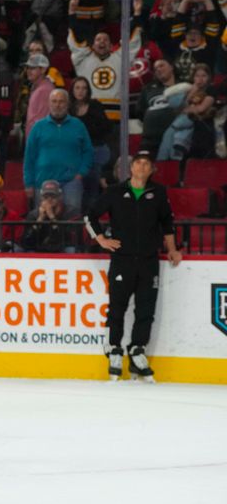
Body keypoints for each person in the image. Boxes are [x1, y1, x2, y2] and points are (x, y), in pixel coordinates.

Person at [84, 150, 182, 382]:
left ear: (151, 170)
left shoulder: (158, 193)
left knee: (146, 310)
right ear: (131, 167)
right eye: (138, 163)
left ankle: (138, 350)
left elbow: (167, 222)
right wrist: (101, 240)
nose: (141, 167)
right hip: (122, 260)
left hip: (148, 261)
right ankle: (114, 351)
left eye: (146, 164)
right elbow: (90, 215)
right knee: (117, 308)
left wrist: (172, 249)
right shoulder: (115, 192)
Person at [68, 0, 143, 122]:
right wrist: (72, 12)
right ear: (92, 44)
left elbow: (132, 41)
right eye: (98, 40)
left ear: (111, 45)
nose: (102, 42)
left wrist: (137, 12)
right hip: (88, 117)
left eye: (105, 40)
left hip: (115, 117)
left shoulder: (120, 59)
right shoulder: (83, 59)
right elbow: (76, 38)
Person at [23, 89, 93, 213]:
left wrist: (81, 173)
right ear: (49, 104)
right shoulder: (38, 127)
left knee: (72, 219)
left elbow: (88, 151)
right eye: (54, 101)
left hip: (71, 182)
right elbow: (29, 157)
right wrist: (29, 183)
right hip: (43, 182)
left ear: (67, 104)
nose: (57, 105)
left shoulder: (78, 126)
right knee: (43, 219)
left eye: (61, 101)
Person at [69, 76, 112, 205]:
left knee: (92, 174)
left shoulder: (95, 106)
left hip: (96, 148)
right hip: (76, 153)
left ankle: (91, 212)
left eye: (84, 88)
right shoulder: (68, 109)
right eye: (77, 88)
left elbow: (105, 128)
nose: (80, 91)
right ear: (72, 90)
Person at [20, 180, 82, 253]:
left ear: (60, 197)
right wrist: (40, 219)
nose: (49, 199)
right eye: (46, 197)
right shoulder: (33, 215)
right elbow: (26, 242)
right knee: (29, 251)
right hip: (40, 248)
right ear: (41, 198)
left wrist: (52, 217)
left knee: (71, 250)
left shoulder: (71, 212)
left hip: (62, 249)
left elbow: (70, 241)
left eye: (53, 196)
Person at [24, 53, 56, 139]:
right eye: (28, 68)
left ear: (43, 70)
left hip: (39, 141)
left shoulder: (44, 90)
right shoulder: (38, 87)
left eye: (33, 68)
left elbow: (39, 121)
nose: (28, 71)